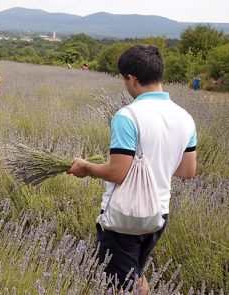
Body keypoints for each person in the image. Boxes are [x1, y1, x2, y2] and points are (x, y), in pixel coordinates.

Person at [67, 45, 197, 293]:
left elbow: (117, 172)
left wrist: (86, 167)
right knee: (136, 274)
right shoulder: (185, 117)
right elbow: (188, 170)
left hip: (126, 217)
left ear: (132, 79)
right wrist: (159, 160)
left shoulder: (128, 116)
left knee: (118, 285)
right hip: (158, 214)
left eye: (124, 79)